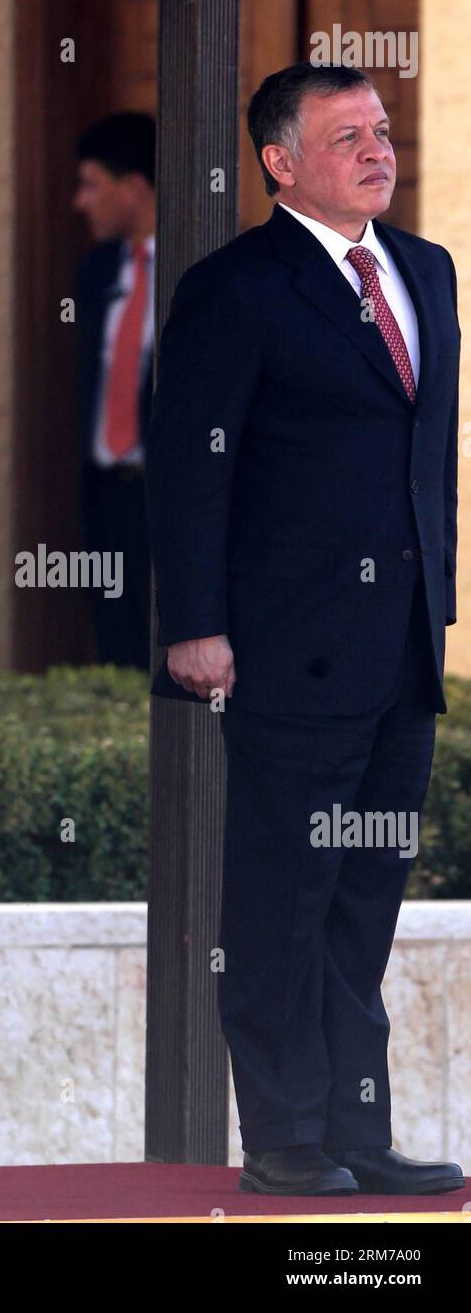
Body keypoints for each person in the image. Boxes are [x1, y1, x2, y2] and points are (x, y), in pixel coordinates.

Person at [145, 61, 465, 1197]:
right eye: (347, 136)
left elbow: (432, 464)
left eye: (381, 130)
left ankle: (356, 1131)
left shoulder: (426, 270)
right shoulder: (236, 287)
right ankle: (284, 1138)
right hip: (287, 648)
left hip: (403, 652)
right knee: (285, 893)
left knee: (363, 898)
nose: (379, 150)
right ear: (280, 162)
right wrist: (195, 623)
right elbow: (189, 467)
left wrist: (443, 607)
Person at [74, 112, 155, 671]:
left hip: (177, 500)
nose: (81, 202)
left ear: (132, 188)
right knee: (118, 657)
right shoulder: (97, 271)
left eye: (91, 185)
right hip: (109, 498)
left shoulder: (210, 269)